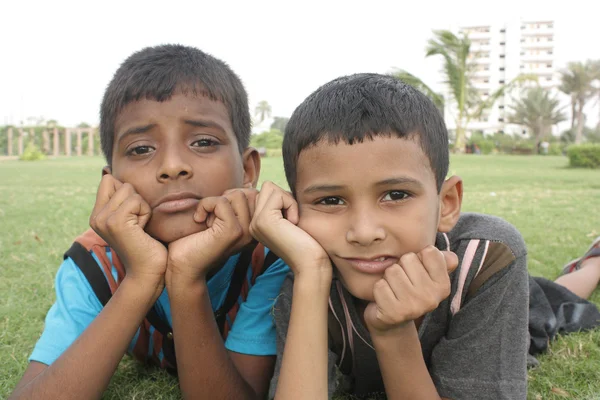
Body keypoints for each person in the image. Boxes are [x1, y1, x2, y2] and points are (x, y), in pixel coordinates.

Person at [10, 44, 289, 400]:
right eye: (141, 149)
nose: (172, 165)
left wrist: (185, 279)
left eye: (203, 142)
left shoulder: (270, 257)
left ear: (248, 169)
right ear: (110, 185)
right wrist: (142, 278)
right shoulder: (95, 265)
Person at [252, 73, 530, 399]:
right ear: (296, 210)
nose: (365, 233)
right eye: (330, 200)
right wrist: (311, 274)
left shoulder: (485, 259)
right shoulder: (308, 279)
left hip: (519, 304)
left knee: (557, 306)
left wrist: (392, 333)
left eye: (395, 195)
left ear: (447, 203)